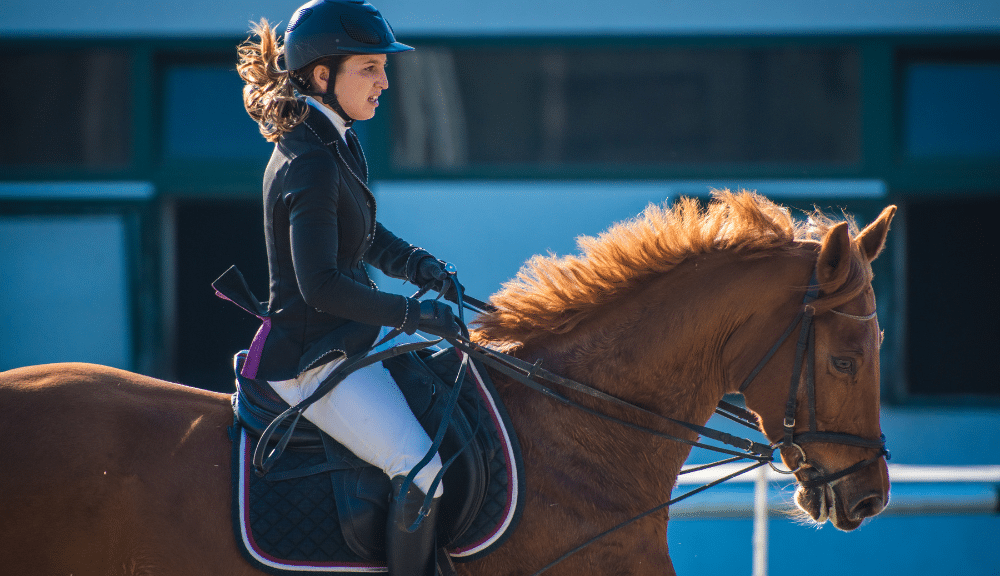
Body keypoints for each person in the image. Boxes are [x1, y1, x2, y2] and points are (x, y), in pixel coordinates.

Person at [234, 1, 463, 574]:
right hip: (310, 357)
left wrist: (417, 265)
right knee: (422, 468)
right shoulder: (308, 159)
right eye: (370, 68)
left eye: (383, 68)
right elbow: (322, 287)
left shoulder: (338, 141)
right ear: (321, 75)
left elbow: (361, 233)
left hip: (348, 341)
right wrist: (417, 315)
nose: (385, 82)